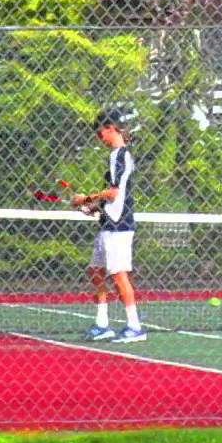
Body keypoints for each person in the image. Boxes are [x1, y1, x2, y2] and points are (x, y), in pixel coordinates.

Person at [71, 109, 145, 343]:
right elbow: (114, 194)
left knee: (119, 275)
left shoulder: (120, 155)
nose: (98, 137)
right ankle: (103, 324)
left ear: (110, 128)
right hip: (107, 223)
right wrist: (93, 208)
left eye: (99, 132)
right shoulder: (114, 156)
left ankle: (134, 327)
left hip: (119, 226)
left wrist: (85, 198)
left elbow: (113, 192)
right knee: (95, 271)